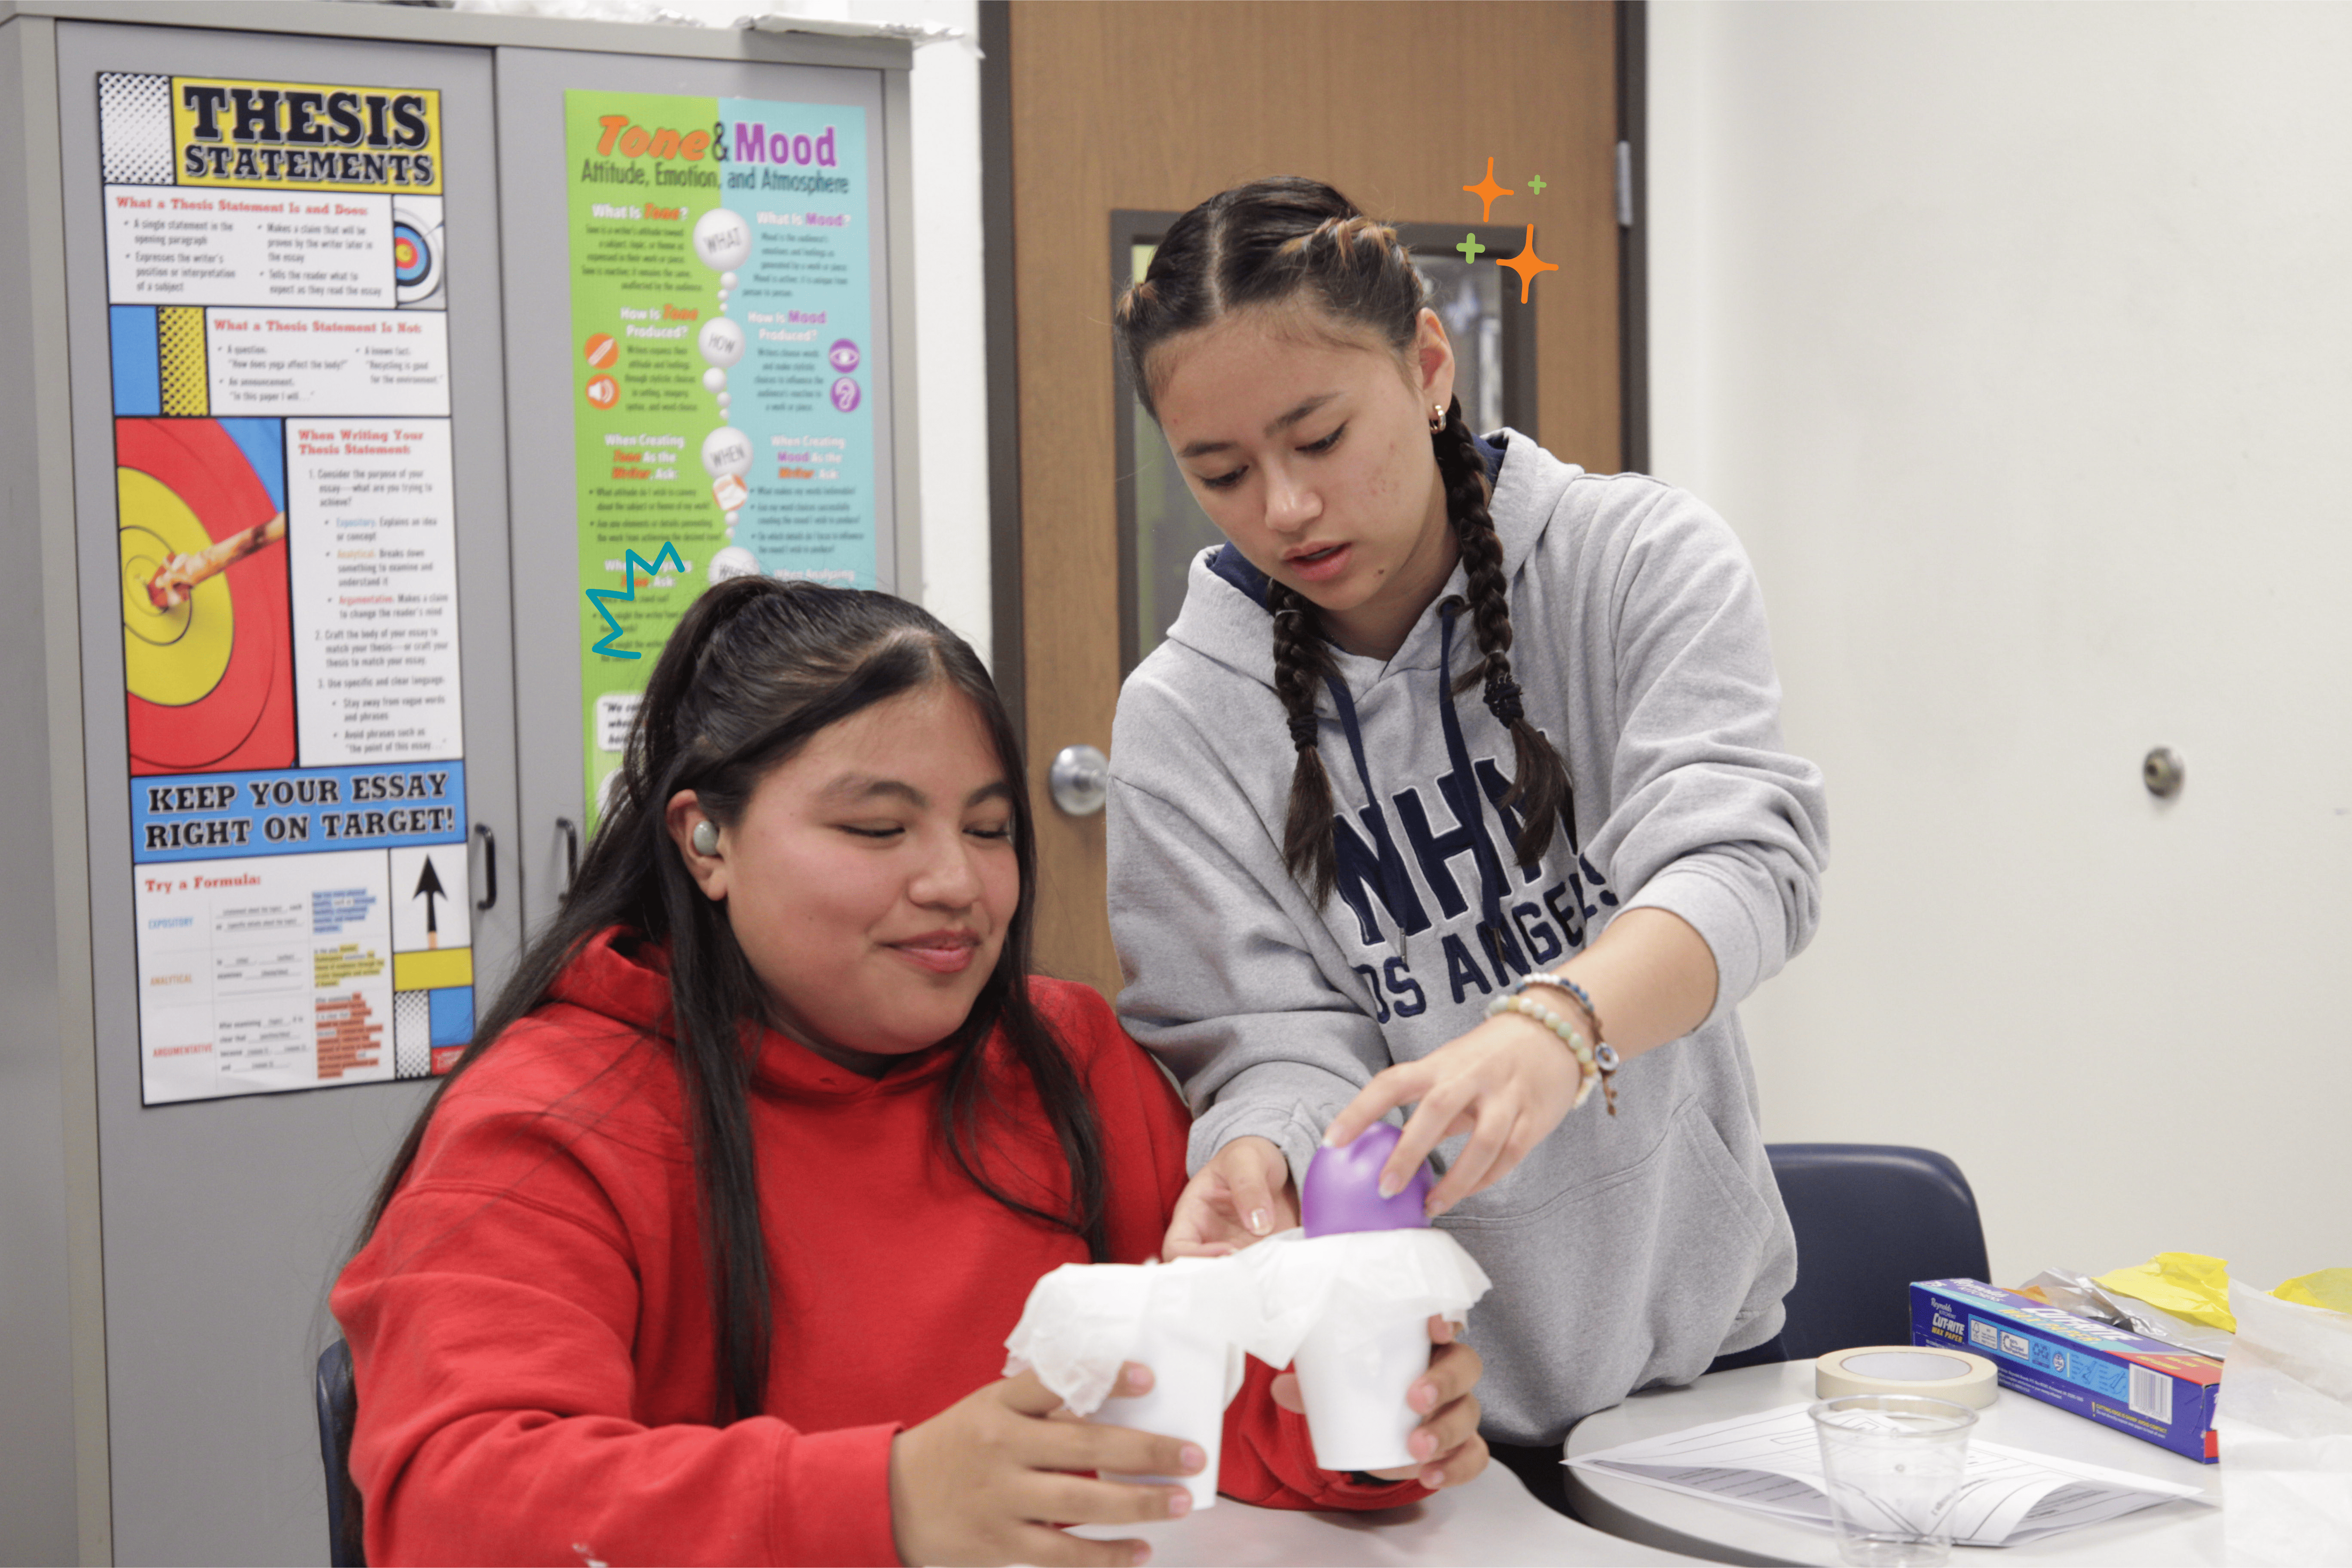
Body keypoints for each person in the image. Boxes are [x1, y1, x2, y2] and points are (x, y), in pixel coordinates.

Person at [331, 579, 1487, 1568]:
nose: (956, 882)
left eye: (988, 830)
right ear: (706, 839)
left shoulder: (1066, 1059)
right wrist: (890, 1499)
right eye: (879, 831)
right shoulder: (553, 1119)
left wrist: (1353, 1426)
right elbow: (458, 1505)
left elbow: (1201, 1415)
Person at [1106, 177, 1830, 1491]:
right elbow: (1270, 1045)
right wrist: (1257, 1150)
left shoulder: (1632, 561)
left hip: (1702, 1378)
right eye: (1220, 472)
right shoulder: (1181, 724)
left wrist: (1559, 1025)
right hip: (1421, 1411)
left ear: (1429, 365)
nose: (1282, 510)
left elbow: (1744, 862)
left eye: (1318, 438)